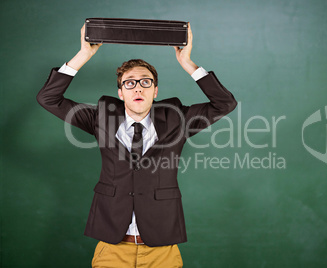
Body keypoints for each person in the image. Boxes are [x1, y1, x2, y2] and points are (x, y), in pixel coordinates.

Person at [37, 23, 237, 268]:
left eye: (145, 82)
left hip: (161, 248)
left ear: (155, 91)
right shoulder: (101, 117)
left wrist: (188, 63)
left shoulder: (177, 118)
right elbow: (48, 98)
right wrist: (83, 55)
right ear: (120, 93)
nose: (138, 87)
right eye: (129, 83)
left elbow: (224, 104)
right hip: (112, 246)